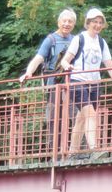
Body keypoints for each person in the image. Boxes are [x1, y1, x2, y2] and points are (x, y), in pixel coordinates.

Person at [60, 7, 112, 160]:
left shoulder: (101, 42)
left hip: (94, 84)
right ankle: (94, 149)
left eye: (100, 22)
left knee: (81, 118)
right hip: (78, 81)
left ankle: (72, 153)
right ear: (88, 23)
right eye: (95, 22)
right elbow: (65, 60)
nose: (98, 25)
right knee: (90, 113)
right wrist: (67, 66)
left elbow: (109, 64)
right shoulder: (79, 39)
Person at [19, 8, 77, 151]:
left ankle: (78, 149)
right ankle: (55, 151)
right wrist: (28, 72)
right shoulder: (50, 40)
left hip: (72, 82)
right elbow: (39, 58)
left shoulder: (76, 40)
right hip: (54, 82)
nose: (67, 24)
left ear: (74, 24)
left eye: (70, 21)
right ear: (59, 22)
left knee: (76, 114)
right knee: (53, 117)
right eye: (64, 21)